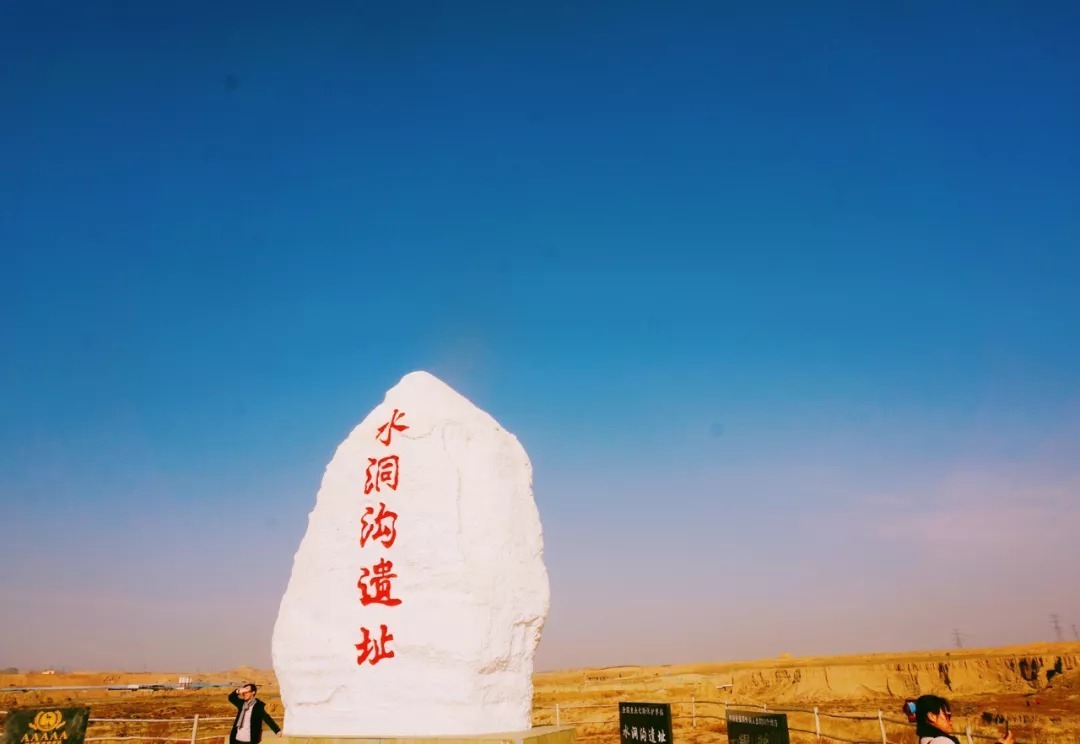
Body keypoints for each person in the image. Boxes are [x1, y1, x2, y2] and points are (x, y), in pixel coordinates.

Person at [914, 694, 1012, 744]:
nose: (951, 721)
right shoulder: (940, 742)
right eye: (948, 716)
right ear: (932, 716)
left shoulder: (925, 739)